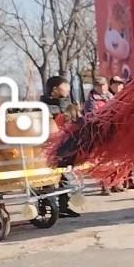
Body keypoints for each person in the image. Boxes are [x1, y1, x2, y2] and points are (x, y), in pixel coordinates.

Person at [41, 76, 81, 218]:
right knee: (48, 181)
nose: (68, 88)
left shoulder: (70, 105)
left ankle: (64, 207)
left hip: (66, 146)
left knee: (65, 178)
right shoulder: (43, 106)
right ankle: (49, 208)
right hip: (49, 147)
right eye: (65, 85)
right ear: (55, 89)